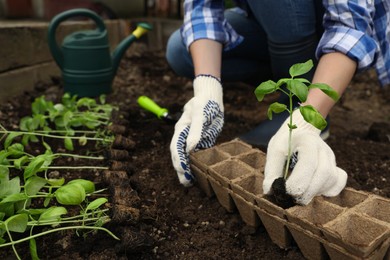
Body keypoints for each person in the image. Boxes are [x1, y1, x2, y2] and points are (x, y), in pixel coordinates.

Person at [165, 0, 390, 205]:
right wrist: (207, 89)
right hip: (271, 24)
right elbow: (202, 9)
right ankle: (288, 74)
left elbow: (349, 27)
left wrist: (308, 119)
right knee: (180, 51)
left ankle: (304, 101)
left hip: (334, 35)